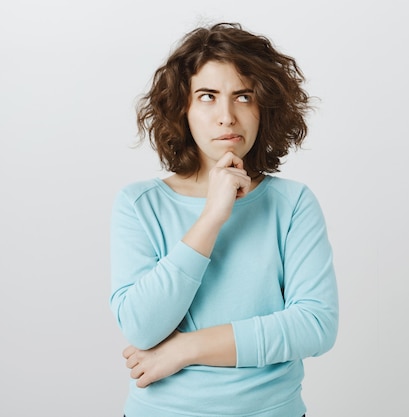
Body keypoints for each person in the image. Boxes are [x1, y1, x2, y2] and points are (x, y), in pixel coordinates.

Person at [109, 22, 339, 417]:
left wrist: (187, 348)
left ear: (264, 107)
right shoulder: (139, 204)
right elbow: (142, 328)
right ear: (183, 107)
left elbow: (315, 325)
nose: (226, 116)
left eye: (243, 96)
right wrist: (213, 216)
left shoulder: (293, 203)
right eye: (207, 96)